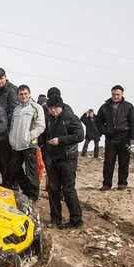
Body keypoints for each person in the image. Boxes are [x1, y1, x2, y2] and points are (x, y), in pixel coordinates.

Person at [45, 95, 84, 229]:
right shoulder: (51, 119)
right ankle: (55, 218)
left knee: (68, 190)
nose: (53, 111)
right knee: (53, 189)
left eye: (55, 108)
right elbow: (48, 135)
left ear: (61, 106)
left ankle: (76, 220)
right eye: (50, 108)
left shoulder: (71, 117)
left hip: (68, 158)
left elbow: (80, 135)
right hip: (54, 158)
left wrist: (60, 140)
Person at [95, 85, 134, 191]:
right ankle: (106, 184)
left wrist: (133, 138)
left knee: (124, 162)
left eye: (118, 95)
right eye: (114, 94)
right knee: (108, 162)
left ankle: (122, 183)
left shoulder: (128, 106)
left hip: (124, 137)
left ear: (122, 94)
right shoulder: (105, 107)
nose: (115, 97)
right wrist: (105, 131)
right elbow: (98, 121)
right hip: (110, 138)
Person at [9, 85, 46, 201]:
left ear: (29, 93)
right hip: (16, 145)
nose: (23, 96)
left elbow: (41, 126)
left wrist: (29, 136)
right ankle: (27, 190)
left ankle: (33, 196)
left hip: (29, 144)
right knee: (15, 168)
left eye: (25, 93)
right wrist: (11, 138)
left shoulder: (36, 108)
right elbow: (12, 126)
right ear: (18, 95)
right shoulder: (16, 110)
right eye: (21, 94)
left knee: (31, 172)